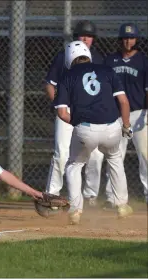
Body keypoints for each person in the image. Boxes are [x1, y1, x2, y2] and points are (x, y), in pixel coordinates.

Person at [54, 40, 133, 224]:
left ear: (69, 59)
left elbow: (61, 112)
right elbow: (124, 102)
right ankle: (122, 205)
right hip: (112, 127)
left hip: (86, 129)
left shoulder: (66, 77)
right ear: (88, 55)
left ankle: (75, 211)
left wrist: (76, 122)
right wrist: (126, 126)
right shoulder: (107, 70)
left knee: (74, 165)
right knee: (114, 159)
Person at [45, 20, 104, 206]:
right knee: (61, 152)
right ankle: (52, 195)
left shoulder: (98, 59)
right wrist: (58, 104)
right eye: (82, 35)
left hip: (89, 111)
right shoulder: (63, 57)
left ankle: (90, 195)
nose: (85, 38)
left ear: (93, 39)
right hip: (67, 109)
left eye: (89, 36)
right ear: (75, 38)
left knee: (96, 154)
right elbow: (50, 84)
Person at [102, 23, 148, 208]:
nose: (128, 41)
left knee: (145, 155)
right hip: (115, 114)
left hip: (139, 113)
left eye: (131, 38)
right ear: (120, 40)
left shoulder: (144, 61)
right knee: (114, 156)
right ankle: (112, 198)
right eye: (125, 38)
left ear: (137, 40)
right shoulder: (110, 61)